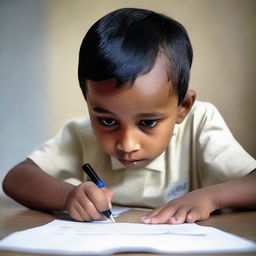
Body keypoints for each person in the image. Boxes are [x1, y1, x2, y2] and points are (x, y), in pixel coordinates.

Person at [2, 8, 256, 224]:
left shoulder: (200, 123)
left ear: (183, 107)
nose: (127, 144)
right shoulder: (80, 135)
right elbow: (16, 178)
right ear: (89, 103)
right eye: (107, 121)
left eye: (148, 122)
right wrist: (68, 196)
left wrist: (209, 197)